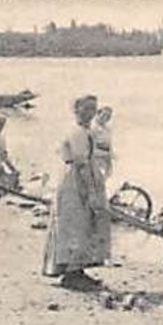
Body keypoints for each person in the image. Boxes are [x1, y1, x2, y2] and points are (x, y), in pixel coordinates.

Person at [42, 94, 111, 291]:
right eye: (86, 109)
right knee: (76, 223)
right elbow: (81, 164)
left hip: (77, 176)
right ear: (76, 109)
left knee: (81, 224)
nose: (90, 113)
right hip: (76, 181)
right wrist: (91, 192)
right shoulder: (77, 133)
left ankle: (77, 269)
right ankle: (71, 273)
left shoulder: (83, 130)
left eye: (93, 109)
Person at [91, 105, 115, 181]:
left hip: (105, 159)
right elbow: (91, 147)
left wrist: (110, 154)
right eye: (103, 115)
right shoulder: (93, 128)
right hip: (96, 158)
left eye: (108, 117)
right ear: (98, 114)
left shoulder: (107, 130)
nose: (105, 118)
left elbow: (109, 144)